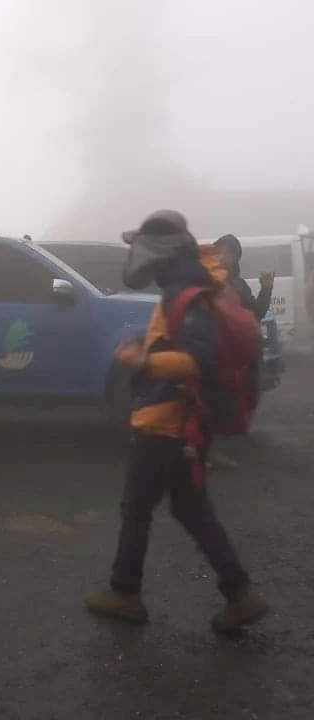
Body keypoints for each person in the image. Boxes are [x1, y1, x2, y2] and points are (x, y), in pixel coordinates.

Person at [85, 210, 268, 634]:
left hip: (168, 424)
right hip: (181, 422)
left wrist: (144, 359)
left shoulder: (185, 294)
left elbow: (198, 361)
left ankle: (125, 593)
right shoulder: (187, 288)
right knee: (191, 508)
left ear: (160, 254)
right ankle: (241, 595)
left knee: (137, 509)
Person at [214, 234, 274, 320]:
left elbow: (255, 315)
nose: (222, 257)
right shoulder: (204, 281)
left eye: (227, 253)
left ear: (235, 259)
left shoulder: (239, 285)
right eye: (218, 252)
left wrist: (266, 289)